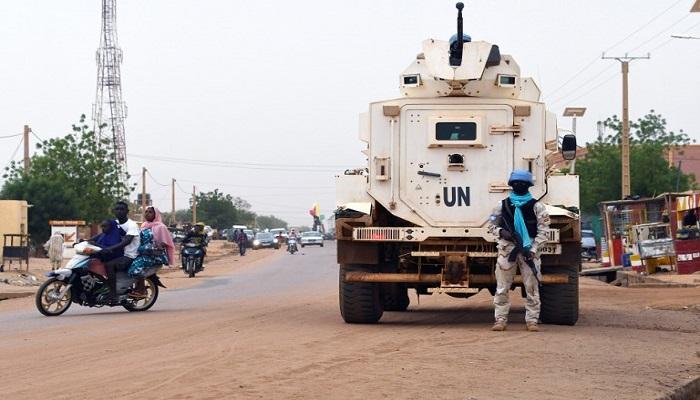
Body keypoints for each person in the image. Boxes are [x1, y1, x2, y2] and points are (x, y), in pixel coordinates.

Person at [489, 169, 550, 332]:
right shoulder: (502, 205)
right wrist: (502, 232)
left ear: (528, 185)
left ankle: (532, 321)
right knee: (502, 287)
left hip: (529, 251)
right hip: (507, 250)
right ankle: (500, 319)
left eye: (522, 183)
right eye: (516, 183)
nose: (519, 185)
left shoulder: (537, 206)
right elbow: (492, 226)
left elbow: (544, 231)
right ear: (511, 185)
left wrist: (533, 248)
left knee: (531, 288)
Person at [96, 201, 141, 305]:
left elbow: (127, 241)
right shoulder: (114, 223)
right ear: (113, 211)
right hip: (118, 254)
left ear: (127, 211)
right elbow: (102, 234)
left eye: (122, 209)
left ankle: (113, 294)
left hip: (129, 255)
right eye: (117, 209)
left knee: (109, 265)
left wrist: (110, 248)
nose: (119, 211)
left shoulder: (132, 225)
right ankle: (103, 287)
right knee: (96, 261)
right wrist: (86, 241)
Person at [128, 207, 175, 297]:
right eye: (146, 212)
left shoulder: (161, 227)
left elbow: (165, 243)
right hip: (143, 253)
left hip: (155, 256)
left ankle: (142, 290)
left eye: (150, 212)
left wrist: (155, 247)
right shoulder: (144, 225)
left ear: (155, 215)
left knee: (135, 268)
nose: (147, 214)